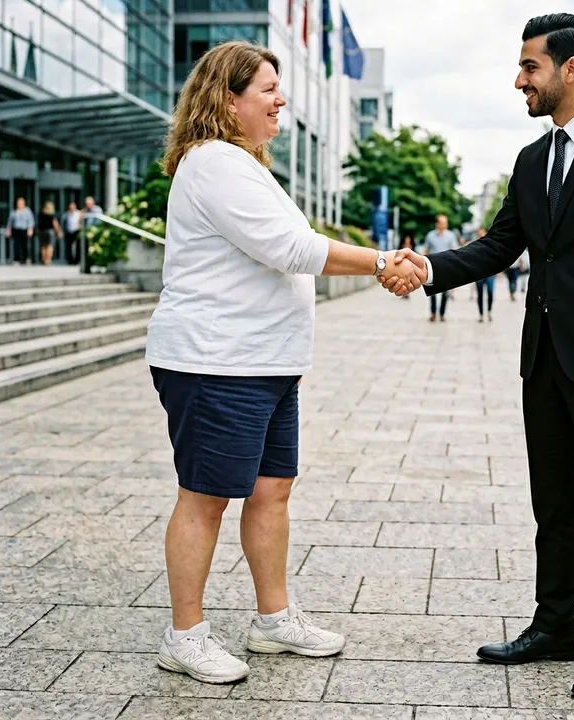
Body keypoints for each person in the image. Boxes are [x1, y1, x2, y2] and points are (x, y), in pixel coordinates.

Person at [383, 13, 574, 699]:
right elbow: (500, 245)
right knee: (553, 505)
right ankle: (555, 627)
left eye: (529, 67)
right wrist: (426, 268)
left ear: (570, 68)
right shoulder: (531, 158)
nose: (520, 80)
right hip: (542, 360)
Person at [144, 40, 421, 686]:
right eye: (267, 88)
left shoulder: (240, 165)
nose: (281, 100)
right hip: (216, 363)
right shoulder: (213, 163)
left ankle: (273, 620)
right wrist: (382, 261)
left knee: (271, 492)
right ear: (227, 99)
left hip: (261, 364)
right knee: (205, 498)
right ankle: (183, 635)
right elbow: (290, 247)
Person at [422, 214, 458, 322]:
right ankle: (433, 313)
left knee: (445, 293)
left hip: (446, 268)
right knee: (432, 292)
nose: (444, 225)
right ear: (437, 224)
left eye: (445, 223)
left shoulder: (450, 236)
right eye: (442, 222)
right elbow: (426, 250)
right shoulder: (430, 236)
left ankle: (442, 313)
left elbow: (454, 249)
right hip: (432, 267)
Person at [5, 197, 35, 265]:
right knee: (17, 245)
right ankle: (16, 259)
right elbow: (10, 222)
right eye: (18, 203)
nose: (20, 204)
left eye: (21, 203)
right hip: (16, 230)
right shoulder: (14, 212)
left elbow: (31, 220)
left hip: (24, 229)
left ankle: (26, 259)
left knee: (25, 245)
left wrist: (30, 228)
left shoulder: (27, 211)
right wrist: (8, 230)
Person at [474, 228, 495, 322]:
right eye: (479, 233)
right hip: (478, 274)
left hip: (490, 273)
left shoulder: (491, 245)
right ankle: (481, 314)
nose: (481, 235)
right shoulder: (474, 245)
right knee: (480, 294)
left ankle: (489, 311)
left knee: (490, 292)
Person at [37, 201, 62, 266]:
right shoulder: (52, 214)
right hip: (50, 232)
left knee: (43, 246)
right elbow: (55, 224)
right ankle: (48, 260)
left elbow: (38, 223)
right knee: (49, 246)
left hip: (42, 231)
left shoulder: (41, 214)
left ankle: (44, 259)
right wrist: (59, 231)